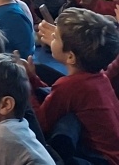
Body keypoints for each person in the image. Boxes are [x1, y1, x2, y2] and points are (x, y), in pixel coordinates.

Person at [26, 8, 119, 164]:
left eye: (55, 37)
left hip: (104, 160)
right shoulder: (99, 77)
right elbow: (55, 96)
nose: (51, 38)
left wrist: (26, 85)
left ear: (70, 56)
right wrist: (33, 78)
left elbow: (41, 122)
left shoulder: (71, 86)